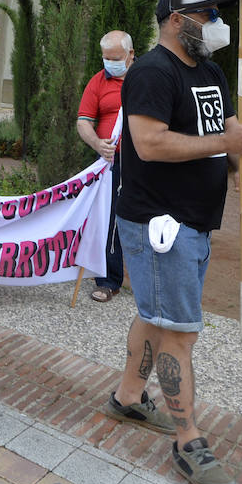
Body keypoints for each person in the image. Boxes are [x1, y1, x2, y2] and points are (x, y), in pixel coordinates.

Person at [103, 0, 242, 484]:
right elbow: (148, 143)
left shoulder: (211, 73)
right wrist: (225, 147)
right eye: (208, 15)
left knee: (156, 314)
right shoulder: (152, 72)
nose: (216, 23)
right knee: (178, 331)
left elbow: (229, 133)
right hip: (159, 226)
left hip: (193, 222)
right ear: (177, 19)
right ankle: (188, 439)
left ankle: (128, 397)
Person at [77, 29, 135, 303]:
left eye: (115, 58)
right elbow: (83, 122)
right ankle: (109, 280)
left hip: (146, 161)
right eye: (105, 58)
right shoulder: (98, 82)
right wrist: (98, 144)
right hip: (112, 160)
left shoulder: (146, 78)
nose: (109, 63)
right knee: (110, 218)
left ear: (130, 55)